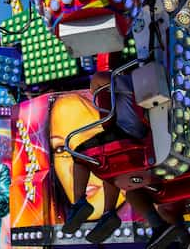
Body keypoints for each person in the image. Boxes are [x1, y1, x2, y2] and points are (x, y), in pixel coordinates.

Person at [61, 71, 146, 243]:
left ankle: (79, 202)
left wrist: (97, 90)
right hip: (142, 139)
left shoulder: (128, 81)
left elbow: (99, 79)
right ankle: (109, 213)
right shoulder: (150, 84)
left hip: (126, 135)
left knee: (79, 153)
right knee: (109, 167)